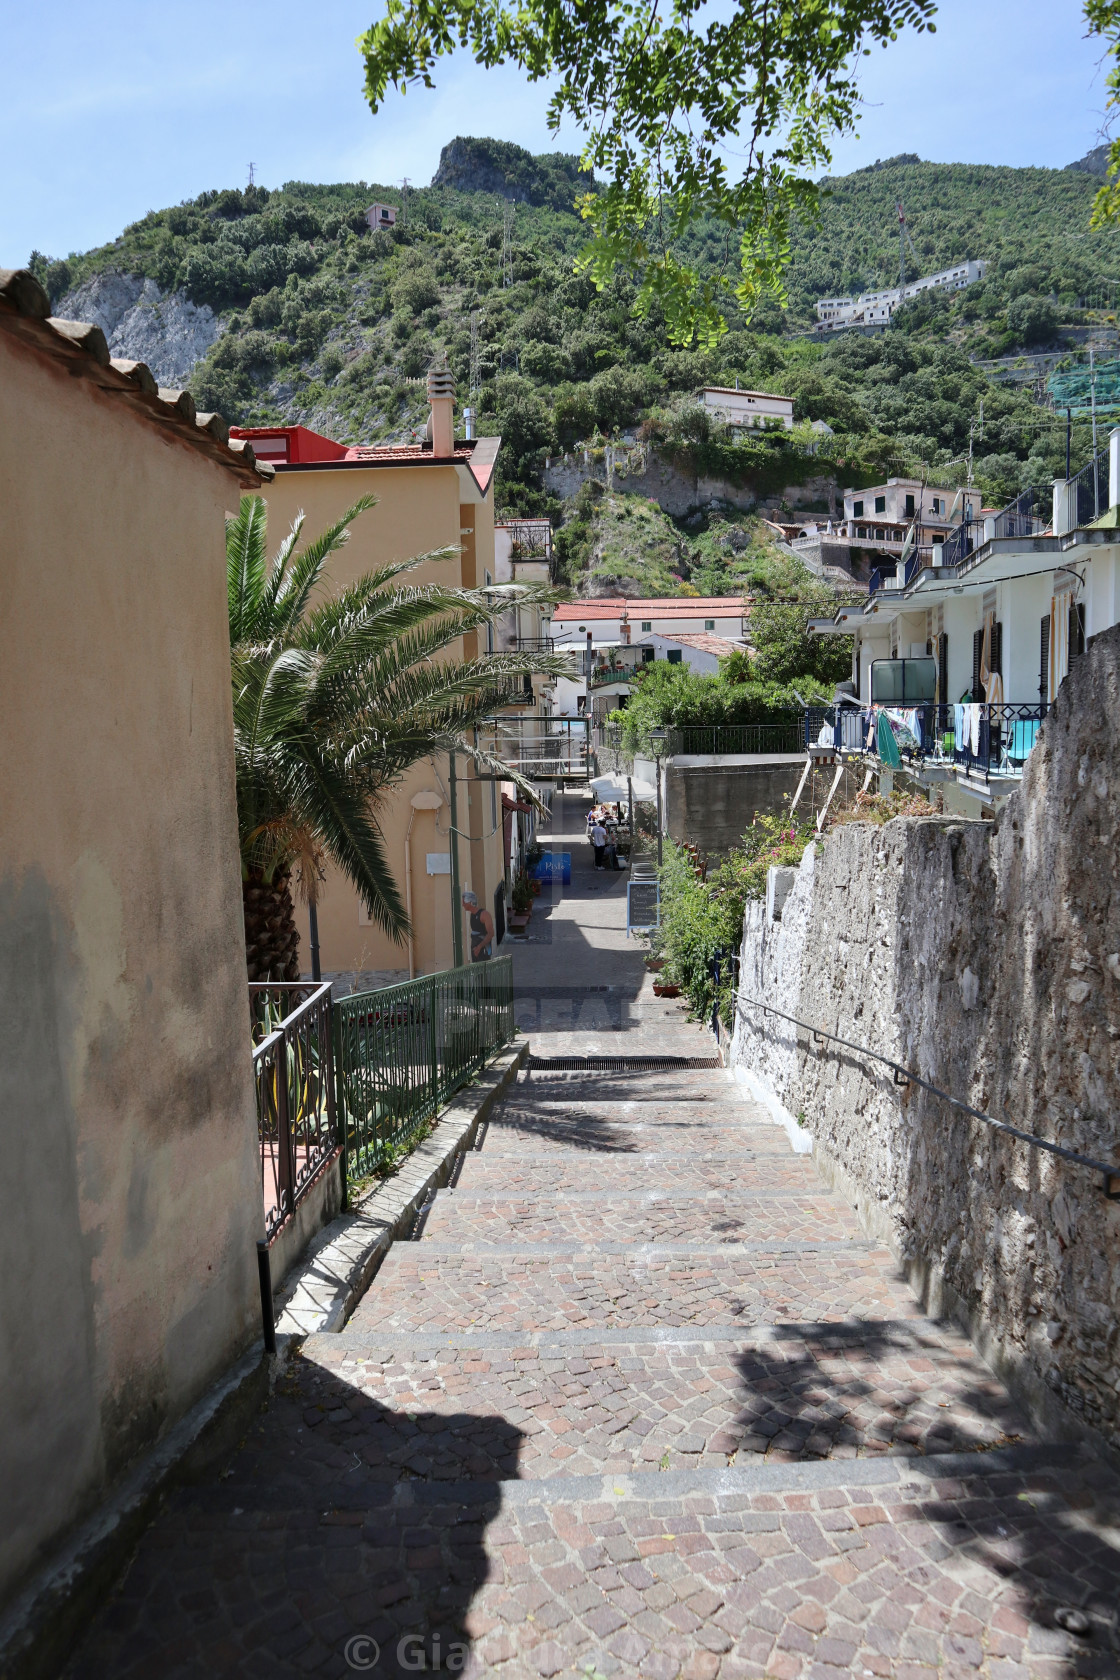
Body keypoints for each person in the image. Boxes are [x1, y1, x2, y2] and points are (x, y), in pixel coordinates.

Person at [461, 890, 494, 962]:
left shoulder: (484, 914)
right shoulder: (472, 914)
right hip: (475, 950)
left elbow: (491, 933)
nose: (462, 904)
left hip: (484, 950)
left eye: (464, 902)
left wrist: (479, 947)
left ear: (470, 902)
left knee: (484, 971)